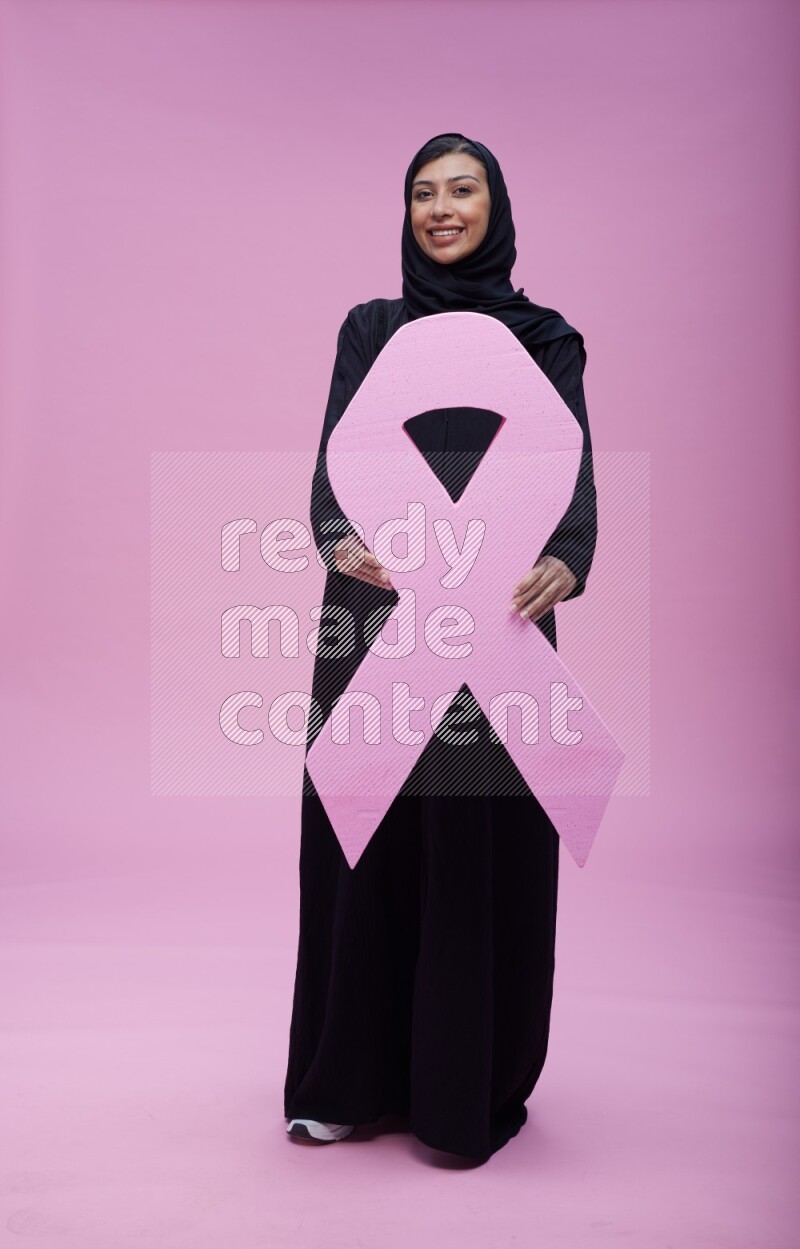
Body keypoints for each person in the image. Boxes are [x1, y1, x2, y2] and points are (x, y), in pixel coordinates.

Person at [283, 133, 598, 1161]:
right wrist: (339, 534)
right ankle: (344, 1081)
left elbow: (567, 467)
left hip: (499, 618)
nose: (440, 208)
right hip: (377, 615)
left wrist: (567, 553)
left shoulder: (545, 336)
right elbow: (337, 460)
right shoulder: (369, 328)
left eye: (461, 190)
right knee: (362, 839)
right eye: (423, 192)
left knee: (475, 847)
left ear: (493, 206)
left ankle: (463, 1093)